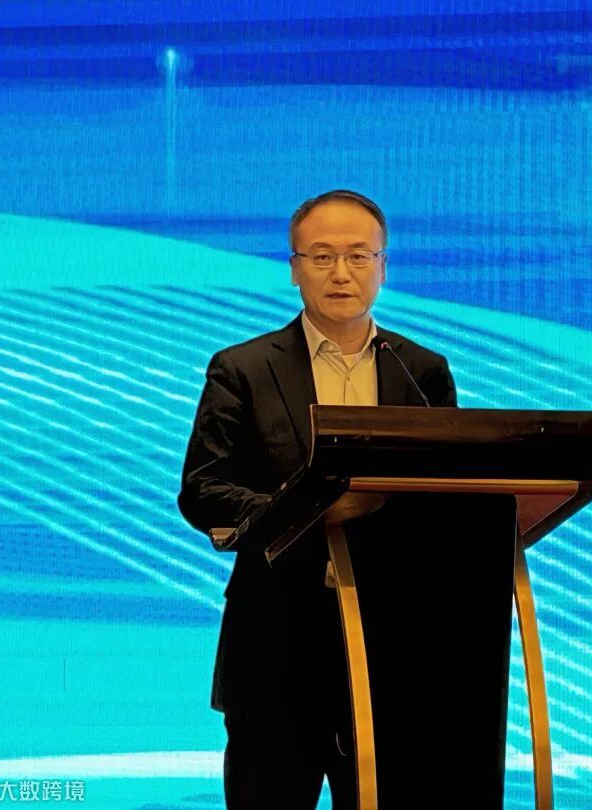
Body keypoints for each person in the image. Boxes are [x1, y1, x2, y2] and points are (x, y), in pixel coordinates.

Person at [177, 189, 456, 809]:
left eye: (359, 256)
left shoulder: (421, 372)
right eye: (322, 256)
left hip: (393, 649)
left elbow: (446, 498)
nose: (341, 273)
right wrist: (307, 511)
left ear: (383, 267)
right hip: (276, 644)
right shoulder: (244, 369)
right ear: (294, 268)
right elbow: (203, 489)